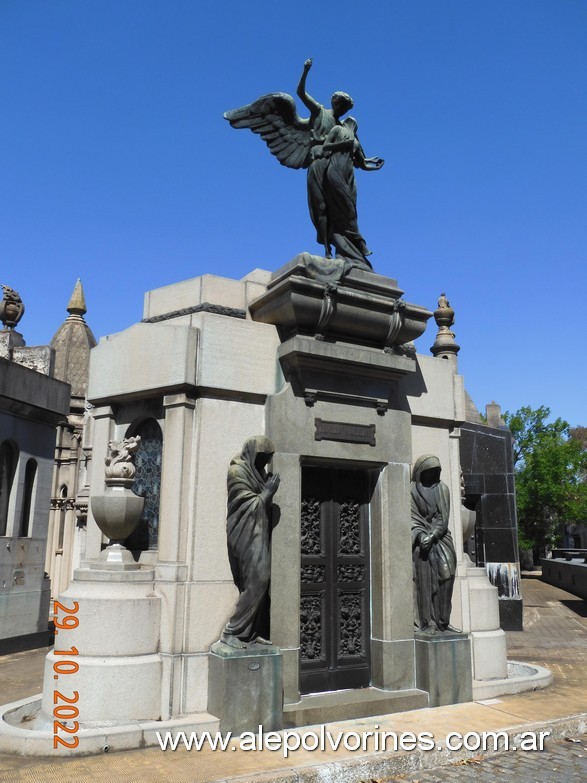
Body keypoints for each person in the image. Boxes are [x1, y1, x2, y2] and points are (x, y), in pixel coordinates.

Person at [297, 59, 383, 263]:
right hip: (319, 165)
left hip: (338, 168)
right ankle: (328, 250)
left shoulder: (343, 126)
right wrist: (305, 71)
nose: (343, 110)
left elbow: (358, 156)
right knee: (322, 208)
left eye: (346, 107)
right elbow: (300, 93)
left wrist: (368, 161)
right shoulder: (320, 112)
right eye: (341, 105)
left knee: (345, 209)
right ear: (335, 103)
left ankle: (348, 248)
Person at [221, 436, 280, 648]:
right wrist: (267, 493)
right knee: (258, 579)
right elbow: (245, 505)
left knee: (260, 582)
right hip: (243, 532)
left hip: (259, 532)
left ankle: (251, 632)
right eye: (262, 458)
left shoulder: (259, 472)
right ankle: (232, 631)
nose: (264, 463)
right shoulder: (237, 472)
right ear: (252, 454)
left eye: (267, 459)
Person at [411, 455, 458, 634]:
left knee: (447, 575)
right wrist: (422, 535)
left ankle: (443, 620)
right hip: (421, 542)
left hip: (441, 539)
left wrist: (432, 536)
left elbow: (443, 518)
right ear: (420, 472)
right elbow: (412, 517)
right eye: (428, 472)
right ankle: (428, 621)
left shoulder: (442, 488)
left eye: (434, 472)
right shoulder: (412, 490)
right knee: (425, 582)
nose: (431, 476)